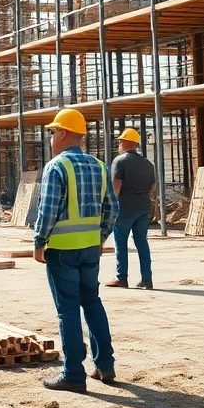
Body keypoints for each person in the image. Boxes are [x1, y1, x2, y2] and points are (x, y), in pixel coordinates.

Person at [33, 107, 116, 392]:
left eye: (53, 132)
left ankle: (73, 375)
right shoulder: (101, 165)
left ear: (64, 134)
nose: (51, 137)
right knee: (92, 302)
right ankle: (105, 365)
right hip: (90, 249)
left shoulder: (56, 166)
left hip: (62, 250)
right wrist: (98, 237)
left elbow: (47, 210)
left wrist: (39, 242)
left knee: (67, 310)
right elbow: (112, 209)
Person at [107, 127, 155, 290]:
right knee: (142, 242)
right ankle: (147, 280)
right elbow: (152, 188)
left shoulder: (119, 161)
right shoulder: (148, 164)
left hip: (124, 209)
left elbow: (116, 189)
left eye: (120, 141)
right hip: (143, 208)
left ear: (123, 143)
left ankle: (122, 278)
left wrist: (110, 208)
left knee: (120, 242)